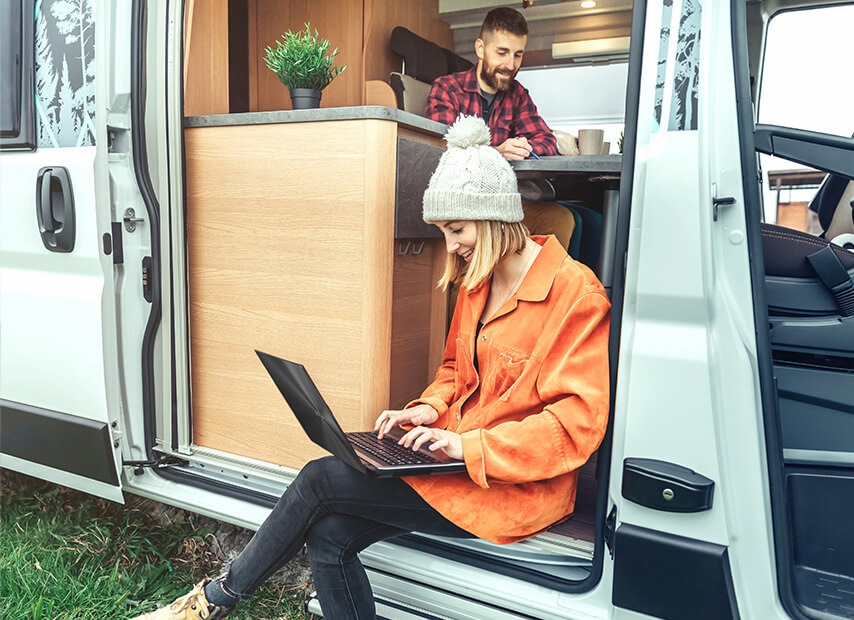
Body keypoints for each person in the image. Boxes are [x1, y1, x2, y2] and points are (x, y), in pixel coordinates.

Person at [131, 116, 610, 620]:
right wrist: (427, 409)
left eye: (456, 229)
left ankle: (210, 603)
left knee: (319, 479)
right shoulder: (478, 282)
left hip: (513, 487)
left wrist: (466, 446)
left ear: (492, 216)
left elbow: (575, 426)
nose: (450, 247)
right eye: (443, 231)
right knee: (329, 534)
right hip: (450, 461)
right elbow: (454, 370)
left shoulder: (574, 293)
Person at [425, 7, 575, 249]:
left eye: (517, 55)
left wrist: (525, 146)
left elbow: (547, 141)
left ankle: (536, 287)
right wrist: (497, 153)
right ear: (480, 49)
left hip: (503, 201)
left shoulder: (517, 94)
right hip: (463, 205)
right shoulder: (446, 89)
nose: (510, 64)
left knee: (561, 218)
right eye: (502, 53)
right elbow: (443, 154)